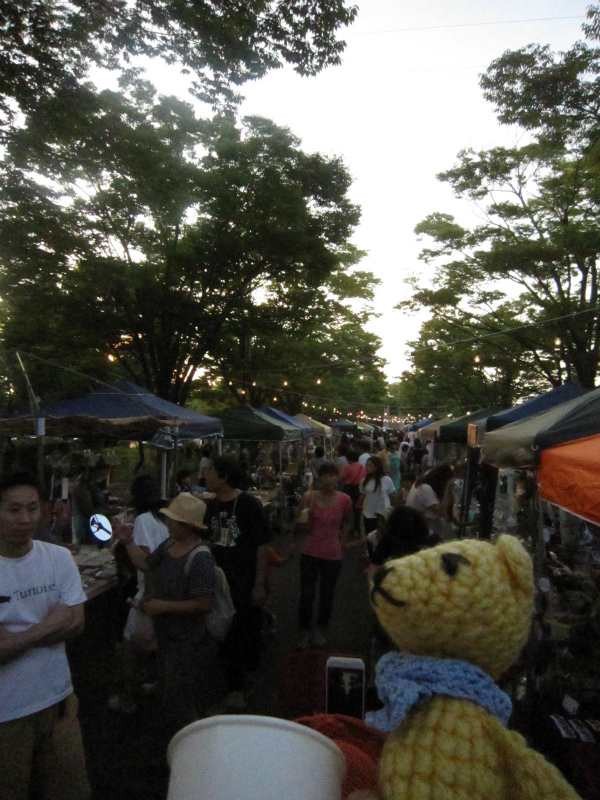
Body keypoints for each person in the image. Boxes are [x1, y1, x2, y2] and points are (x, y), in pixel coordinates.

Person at [0, 472, 90, 800]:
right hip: (7, 715)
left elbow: (76, 622)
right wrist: (49, 626)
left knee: (70, 790)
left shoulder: (58, 557)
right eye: (14, 510)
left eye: (32, 508)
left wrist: (14, 639)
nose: (25, 519)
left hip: (60, 705)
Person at [116, 493, 215, 735]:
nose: (167, 523)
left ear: (188, 526)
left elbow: (203, 604)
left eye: (173, 520)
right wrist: (128, 542)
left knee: (179, 695)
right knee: (170, 687)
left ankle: (190, 738)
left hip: (187, 638)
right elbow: (146, 564)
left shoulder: (200, 557)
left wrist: (163, 606)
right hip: (166, 633)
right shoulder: (170, 545)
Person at [203, 456, 271, 711]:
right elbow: (209, 539)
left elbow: (262, 545)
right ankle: (235, 688)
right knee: (226, 631)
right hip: (220, 581)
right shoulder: (210, 506)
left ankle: (246, 679)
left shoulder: (249, 504)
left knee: (246, 628)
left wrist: (259, 583)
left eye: (210, 471)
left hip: (245, 579)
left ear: (224, 477)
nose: (205, 475)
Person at [108, 475, 169, 714]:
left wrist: (127, 544)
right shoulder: (161, 518)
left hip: (149, 591)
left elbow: (146, 561)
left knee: (129, 646)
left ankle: (127, 698)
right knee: (159, 643)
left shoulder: (143, 519)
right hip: (164, 589)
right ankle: (159, 686)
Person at [297, 462, 352, 649]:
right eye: (325, 475)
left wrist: (343, 539)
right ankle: (304, 632)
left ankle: (321, 630)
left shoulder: (345, 500)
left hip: (333, 554)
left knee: (327, 595)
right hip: (310, 551)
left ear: (337, 477)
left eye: (332, 475)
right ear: (319, 477)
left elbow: (348, 521)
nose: (328, 479)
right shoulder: (309, 497)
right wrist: (304, 519)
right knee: (306, 594)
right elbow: (298, 523)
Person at [406, 464, 454, 540]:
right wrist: (447, 490)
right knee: (445, 525)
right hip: (419, 525)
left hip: (417, 522)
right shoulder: (426, 488)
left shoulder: (420, 484)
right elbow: (442, 512)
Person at [71, 458, 109, 544]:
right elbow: (89, 511)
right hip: (87, 532)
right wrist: (109, 511)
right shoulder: (82, 486)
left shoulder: (92, 485)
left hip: (97, 530)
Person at [359, 456, 396, 536]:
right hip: (368, 512)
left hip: (383, 513)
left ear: (377, 467)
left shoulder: (386, 479)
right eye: (366, 465)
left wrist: (391, 509)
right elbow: (363, 495)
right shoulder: (364, 481)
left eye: (370, 465)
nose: (367, 468)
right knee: (369, 535)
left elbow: (392, 495)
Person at [340, 449, 365, 535]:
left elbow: (341, 477)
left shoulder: (347, 468)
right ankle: (357, 528)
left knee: (347, 508)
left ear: (348, 459)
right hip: (359, 490)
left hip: (348, 489)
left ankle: (348, 527)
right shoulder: (362, 468)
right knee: (357, 509)